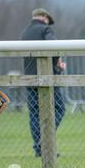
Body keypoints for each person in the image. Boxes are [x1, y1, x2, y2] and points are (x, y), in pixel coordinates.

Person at [21, 8, 67, 157]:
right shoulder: (45, 29)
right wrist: (59, 61)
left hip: (30, 79)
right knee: (59, 109)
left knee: (34, 114)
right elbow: (53, 47)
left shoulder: (25, 32)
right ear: (45, 17)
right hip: (47, 78)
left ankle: (38, 148)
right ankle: (44, 142)